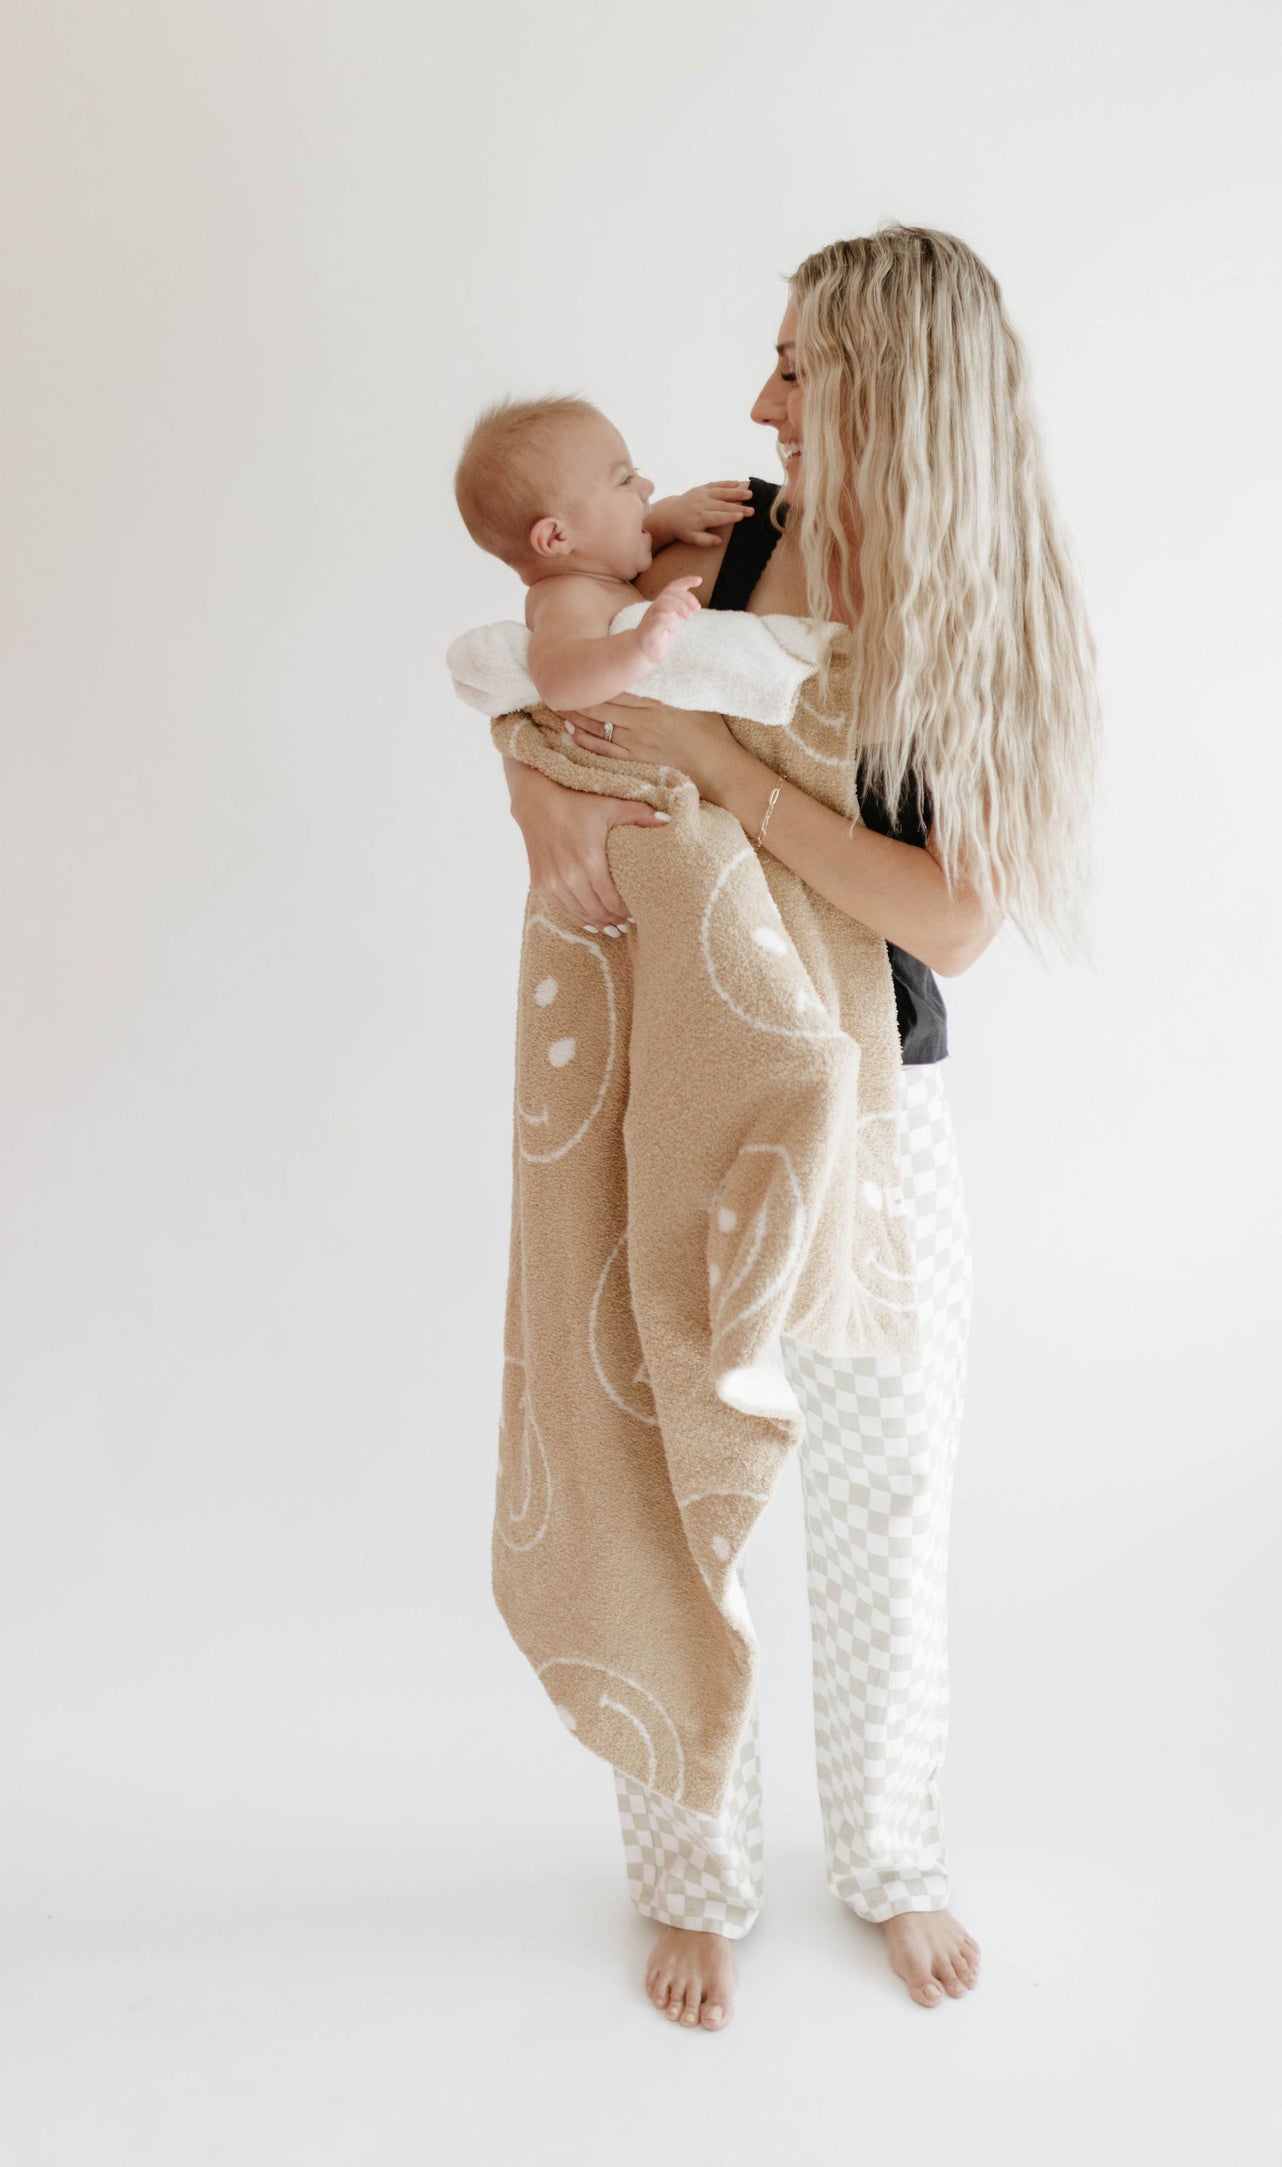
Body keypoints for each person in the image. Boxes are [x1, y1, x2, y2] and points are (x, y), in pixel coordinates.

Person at [497, 225, 1101, 2032]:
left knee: (885, 1491)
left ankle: (892, 1852)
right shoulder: (719, 545)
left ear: (893, 395)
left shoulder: (978, 614)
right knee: (683, 1488)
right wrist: (538, 788)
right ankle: (692, 1871)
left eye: (798, 369)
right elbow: (544, 669)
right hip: (684, 1076)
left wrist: (732, 771)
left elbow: (950, 920)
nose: (758, 400)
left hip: (875, 1103)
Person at [452, 393, 757, 712]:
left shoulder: (595, 571)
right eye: (625, 480)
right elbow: (558, 683)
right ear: (557, 536)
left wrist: (674, 515)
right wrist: (637, 647)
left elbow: (629, 542)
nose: (648, 486)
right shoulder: (567, 599)